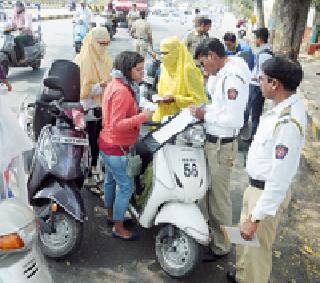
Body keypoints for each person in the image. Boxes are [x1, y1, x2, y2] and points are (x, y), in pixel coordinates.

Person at [227, 56, 306, 283]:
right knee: (246, 246)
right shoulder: (278, 109)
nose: (257, 81)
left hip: (265, 195)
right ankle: (243, 276)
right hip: (255, 189)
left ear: (275, 84)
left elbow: (279, 178)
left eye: (261, 78)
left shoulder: (288, 123)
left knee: (257, 253)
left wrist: (257, 217)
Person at [191, 38, 250, 261]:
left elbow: (234, 118)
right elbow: (221, 106)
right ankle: (215, 235)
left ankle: (222, 245)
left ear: (212, 56)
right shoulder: (226, 70)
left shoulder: (232, 77)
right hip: (214, 141)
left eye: (203, 63)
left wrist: (204, 114)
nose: (203, 68)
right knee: (209, 194)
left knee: (219, 199)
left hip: (220, 145)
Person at [98, 51, 154, 240]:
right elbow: (117, 123)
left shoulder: (116, 84)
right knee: (126, 188)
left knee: (111, 181)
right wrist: (143, 117)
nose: (142, 73)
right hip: (117, 147)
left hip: (108, 144)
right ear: (127, 69)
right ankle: (119, 228)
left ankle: (111, 216)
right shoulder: (122, 91)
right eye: (138, 70)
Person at [75, 27, 112, 180]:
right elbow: (80, 90)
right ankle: (85, 171)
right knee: (88, 140)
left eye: (106, 44)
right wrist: (99, 87)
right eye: (100, 43)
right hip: (86, 107)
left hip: (102, 106)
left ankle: (94, 167)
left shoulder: (106, 59)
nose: (103, 47)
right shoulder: (82, 60)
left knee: (99, 139)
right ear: (92, 42)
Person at [152, 36, 208, 122]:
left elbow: (199, 101)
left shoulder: (188, 70)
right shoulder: (164, 67)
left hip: (183, 120)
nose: (162, 57)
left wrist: (175, 99)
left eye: (166, 53)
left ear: (176, 52)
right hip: (164, 115)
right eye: (161, 53)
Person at [243, 28, 273, 141]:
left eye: (255, 38)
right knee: (252, 110)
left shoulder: (265, 54)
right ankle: (253, 135)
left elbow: (265, 73)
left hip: (257, 87)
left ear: (260, 39)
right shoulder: (262, 51)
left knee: (255, 113)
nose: (254, 40)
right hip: (255, 86)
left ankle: (254, 138)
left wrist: (256, 77)